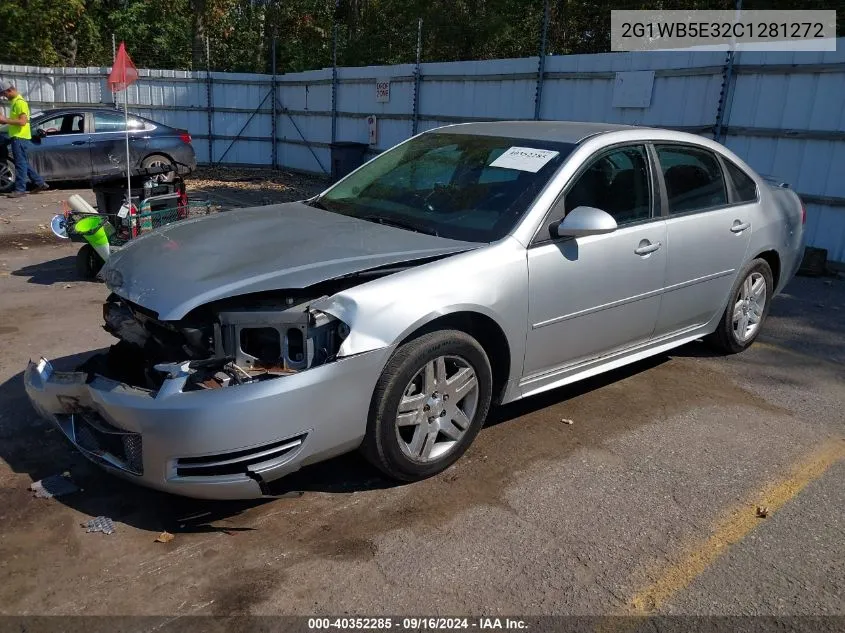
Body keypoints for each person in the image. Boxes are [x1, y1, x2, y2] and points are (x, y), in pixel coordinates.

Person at [0, 81, 49, 198]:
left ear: (9, 91)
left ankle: (20, 189)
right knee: (23, 163)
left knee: (20, 164)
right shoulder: (15, 102)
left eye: (4, 94)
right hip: (17, 137)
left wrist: (5, 120)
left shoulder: (20, 103)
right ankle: (40, 183)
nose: (4, 97)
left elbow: (22, 122)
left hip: (19, 137)